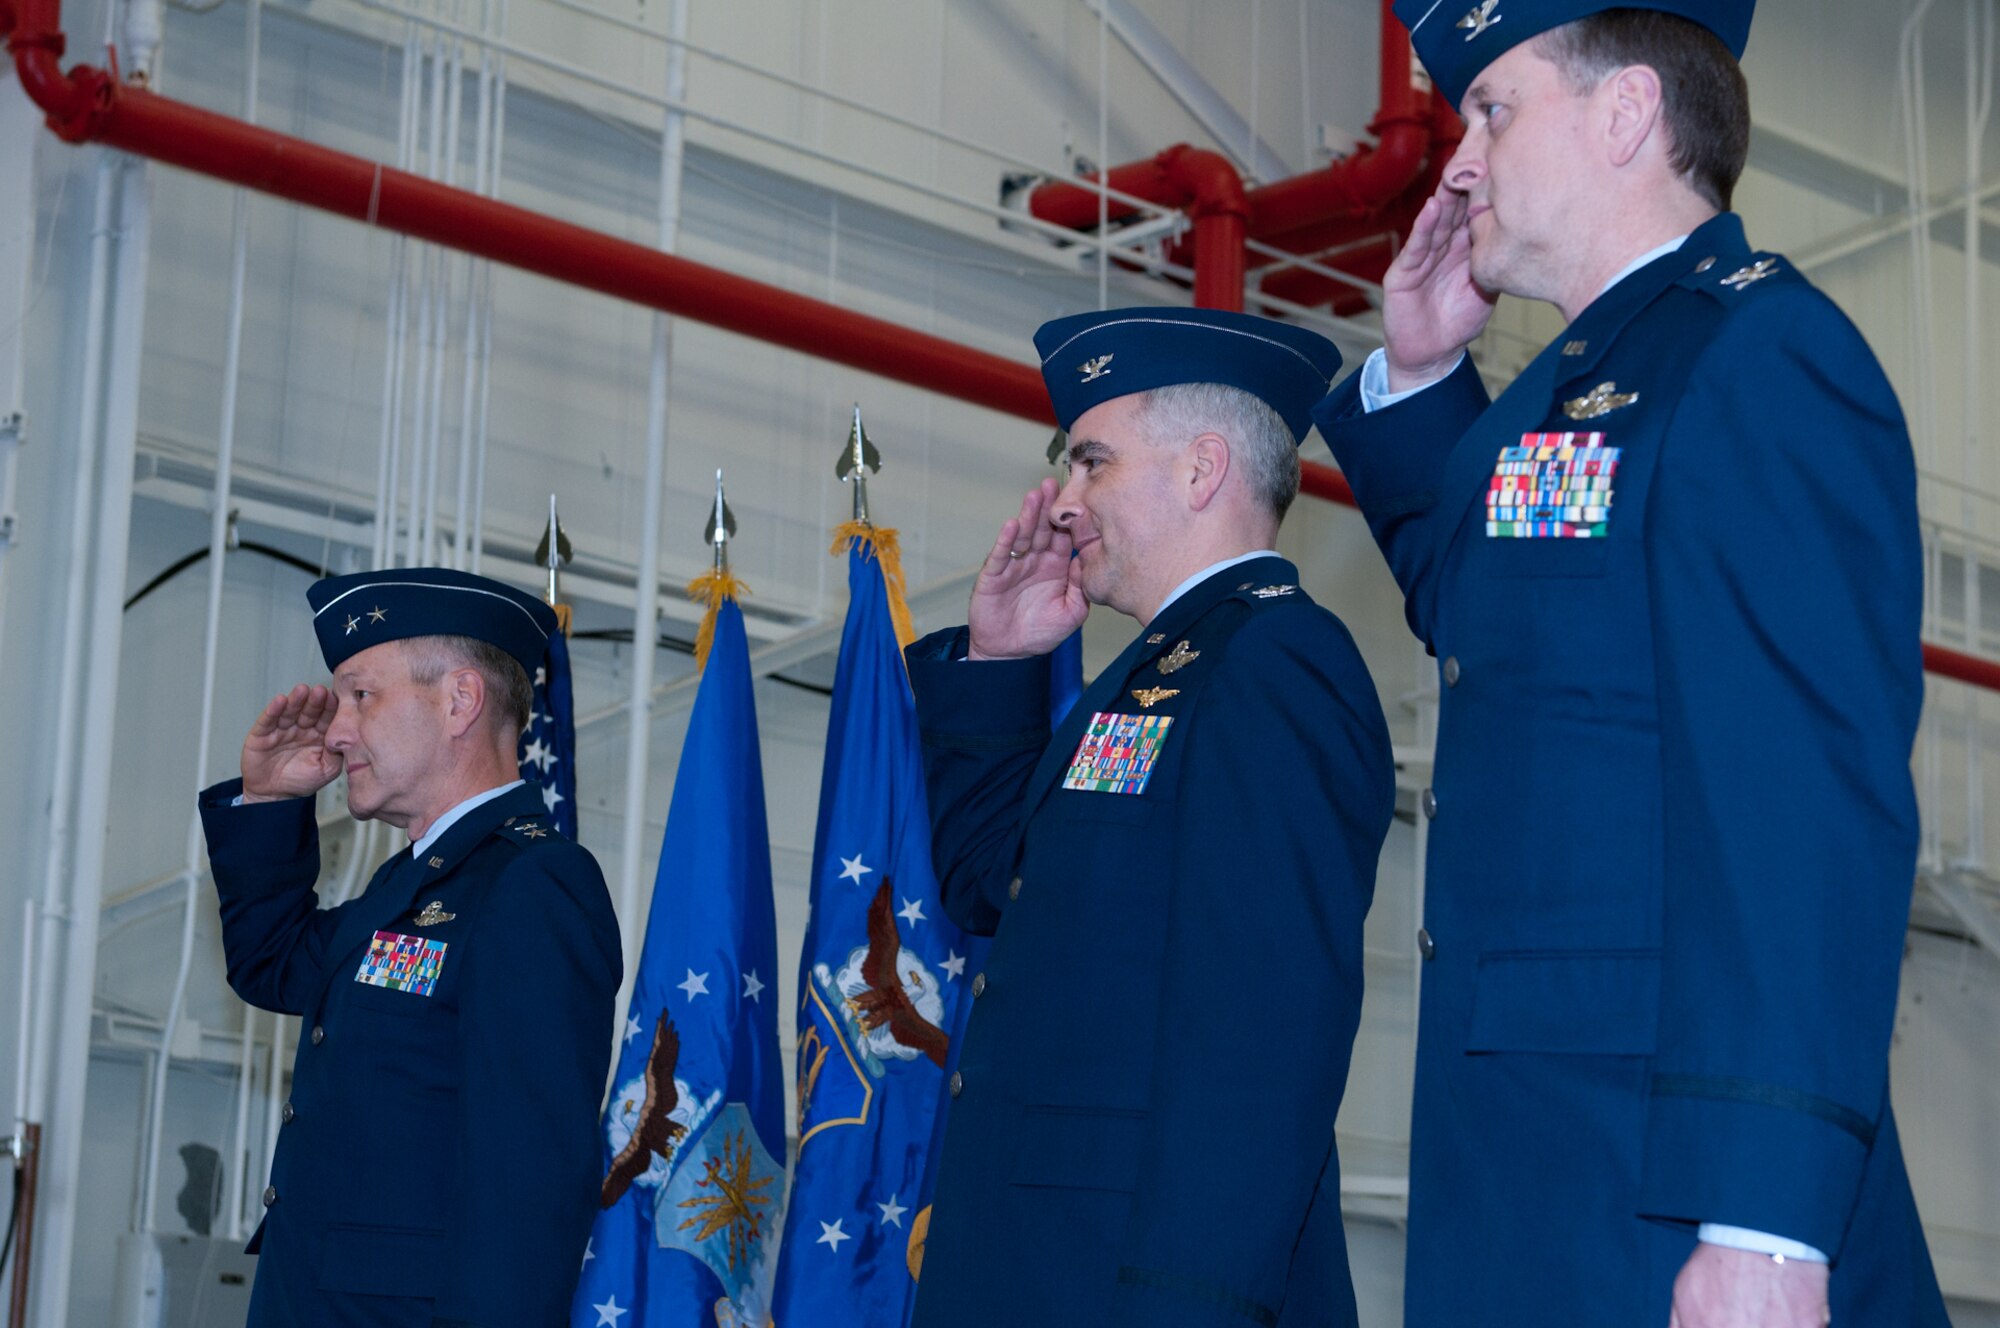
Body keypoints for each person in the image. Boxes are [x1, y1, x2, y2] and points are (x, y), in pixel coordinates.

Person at [1312, 3, 1949, 1325]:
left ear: (1627, 116)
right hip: (1535, 1164)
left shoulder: (1761, 357)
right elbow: (1496, 619)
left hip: (1669, 1188)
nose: (1461, 160)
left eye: (1492, 107)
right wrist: (1426, 377)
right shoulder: (1570, 393)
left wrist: (1767, 1219)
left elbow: (1802, 808)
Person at [902, 306, 1395, 1327]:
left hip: (1138, 1285)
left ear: (1199, 469)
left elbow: (1264, 1034)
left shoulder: (1274, 665)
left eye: (1091, 462)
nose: (1063, 501)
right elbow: (989, 883)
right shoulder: (1148, 679)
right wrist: (999, 666)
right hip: (1040, 1270)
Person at [196, 567, 622, 1327]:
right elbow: (277, 963)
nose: (335, 729)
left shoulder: (530, 885)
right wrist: (267, 804)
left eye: (362, 695)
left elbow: (526, 1189)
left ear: (460, 701)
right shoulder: (412, 883)